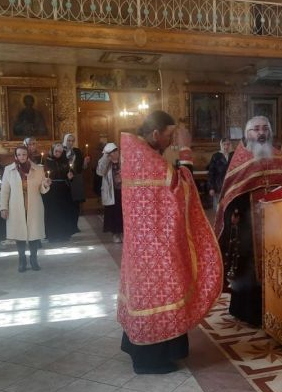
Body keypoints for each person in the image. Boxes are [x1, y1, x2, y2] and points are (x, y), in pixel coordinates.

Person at [118, 110, 222, 374]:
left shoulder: (136, 153)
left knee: (146, 294)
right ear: (155, 134)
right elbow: (179, 187)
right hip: (154, 247)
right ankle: (150, 359)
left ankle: (142, 346)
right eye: (168, 136)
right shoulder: (146, 158)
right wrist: (186, 151)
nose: (169, 142)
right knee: (164, 290)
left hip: (144, 244)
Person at [214, 116, 282, 327]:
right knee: (248, 268)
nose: (261, 133)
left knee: (276, 264)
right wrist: (234, 212)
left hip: (276, 225)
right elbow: (230, 194)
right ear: (247, 134)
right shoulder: (240, 161)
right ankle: (247, 311)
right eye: (255, 129)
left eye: (264, 129)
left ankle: (275, 309)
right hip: (248, 226)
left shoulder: (280, 160)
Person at [0, 146, 51, 272]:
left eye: (24, 154)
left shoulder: (38, 169)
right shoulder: (8, 170)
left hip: (33, 206)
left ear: (28, 155)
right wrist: (3, 207)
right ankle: (22, 260)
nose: (22, 157)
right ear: (15, 156)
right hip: (16, 207)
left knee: (34, 234)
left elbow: (42, 190)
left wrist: (45, 184)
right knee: (20, 235)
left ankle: (34, 259)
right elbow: (5, 191)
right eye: (19, 154)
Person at [43, 142, 78, 242]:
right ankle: (53, 235)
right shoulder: (47, 161)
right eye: (56, 151)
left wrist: (70, 176)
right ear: (53, 150)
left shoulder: (65, 161)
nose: (58, 153)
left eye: (60, 151)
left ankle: (64, 233)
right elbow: (44, 175)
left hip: (64, 189)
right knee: (53, 213)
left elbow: (70, 173)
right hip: (52, 190)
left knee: (64, 212)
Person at [62, 134, 90, 233]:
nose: (70, 142)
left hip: (76, 179)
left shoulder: (77, 151)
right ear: (65, 140)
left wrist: (85, 162)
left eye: (72, 141)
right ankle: (66, 226)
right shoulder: (60, 151)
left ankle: (74, 226)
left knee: (75, 205)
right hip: (65, 179)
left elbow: (82, 167)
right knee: (66, 204)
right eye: (69, 140)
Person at [96, 142, 123, 242]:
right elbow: (100, 172)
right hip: (111, 192)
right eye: (111, 152)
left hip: (123, 191)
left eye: (115, 151)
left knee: (122, 213)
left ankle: (122, 232)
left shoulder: (123, 161)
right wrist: (105, 158)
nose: (114, 153)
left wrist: (122, 177)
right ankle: (115, 234)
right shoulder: (105, 162)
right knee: (113, 213)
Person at [206, 137, 232, 211]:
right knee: (219, 209)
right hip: (218, 186)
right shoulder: (216, 156)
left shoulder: (233, 155)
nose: (226, 146)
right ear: (221, 145)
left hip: (231, 185)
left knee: (229, 208)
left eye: (228, 144)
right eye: (224, 144)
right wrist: (211, 188)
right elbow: (211, 173)